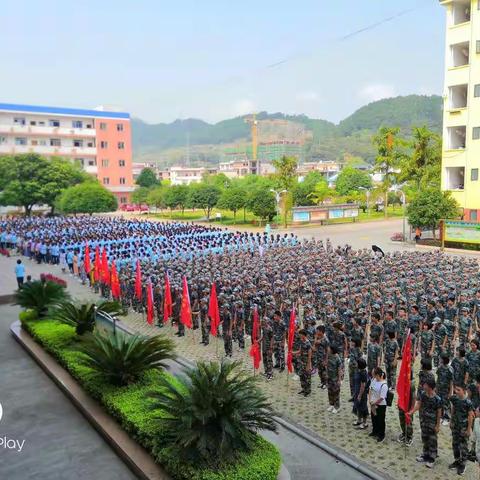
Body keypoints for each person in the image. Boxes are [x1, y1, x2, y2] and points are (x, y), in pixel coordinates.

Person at [409, 377, 442, 469]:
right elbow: (419, 404)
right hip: (424, 421)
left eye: (425, 385)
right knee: (424, 438)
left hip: (432, 423)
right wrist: (411, 412)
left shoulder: (437, 399)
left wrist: (438, 425)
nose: (423, 386)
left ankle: (432, 458)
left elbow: (439, 413)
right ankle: (425, 454)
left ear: (430, 387)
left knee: (432, 440)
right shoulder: (423, 394)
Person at [449, 383, 474, 476]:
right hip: (455, 426)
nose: (456, 391)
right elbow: (453, 409)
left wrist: (468, 429)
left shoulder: (468, 402)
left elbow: (470, 416)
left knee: (463, 447)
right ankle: (457, 461)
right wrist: (451, 420)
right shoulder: (455, 399)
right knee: (455, 444)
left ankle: (463, 465)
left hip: (463, 428)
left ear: (464, 391)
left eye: (458, 390)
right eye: (455, 389)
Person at [369, 367, 388, 443]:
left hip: (380, 405)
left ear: (377, 375)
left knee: (380, 420)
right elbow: (370, 389)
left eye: (373, 374)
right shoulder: (373, 380)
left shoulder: (384, 385)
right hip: (373, 403)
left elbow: (382, 398)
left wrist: (374, 403)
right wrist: (370, 399)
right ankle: (375, 431)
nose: (372, 375)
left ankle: (381, 435)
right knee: (374, 418)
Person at [437, 353, 454, 426]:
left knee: (446, 403)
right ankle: (441, 416)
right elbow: (438, 378)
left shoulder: (450, 369)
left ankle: (447, 418)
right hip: (440, 388)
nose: (440, 360)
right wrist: (436, 387)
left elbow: (451, 381)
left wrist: (450, 392)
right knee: (440, 402)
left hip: (446, 389)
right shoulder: (440, 367)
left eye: (441, 358)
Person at [352, 357, 369, 429]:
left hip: (361, 393)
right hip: (356, 390)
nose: (355, 363)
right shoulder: (358, 370)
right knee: (358, 406)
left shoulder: (363, 373)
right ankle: (359, 420)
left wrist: (359, 395)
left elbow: (363, 385)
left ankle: (365, 423)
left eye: (357, 363)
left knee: (363, 407)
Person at [326, 345, 343, 412]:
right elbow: (327, 365)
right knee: (330, 392)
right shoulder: (329, 355)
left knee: (336, 393)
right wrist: (327, 374)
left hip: (335, 378)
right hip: (330, 377)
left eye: (329, 349)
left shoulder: (337, 358)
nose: (328, 349)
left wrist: (339, 379)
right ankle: (331, 405)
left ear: (332, 350)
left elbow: (339, 369)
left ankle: (337, 407)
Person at [296, 329, 312, 397]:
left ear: (303, 334)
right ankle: (303, 388)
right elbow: (300, 351)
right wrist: (293, 353)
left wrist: (308, 364)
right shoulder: (301, 341)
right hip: (301, 361)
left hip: (306, 362)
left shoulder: (308, 343)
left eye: (300, 334)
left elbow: (310, 354)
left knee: (307, 377)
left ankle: (308, 390)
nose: (299, 335)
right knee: (301, 376)